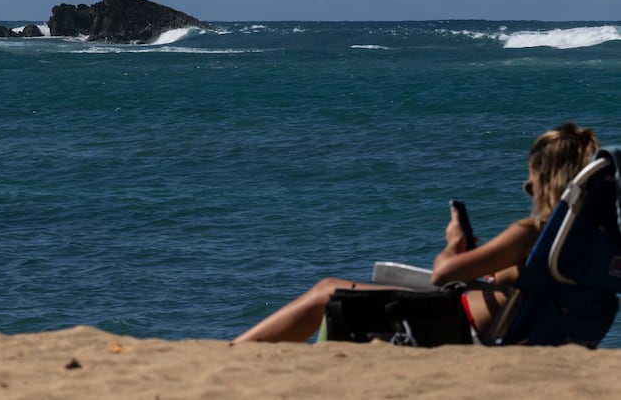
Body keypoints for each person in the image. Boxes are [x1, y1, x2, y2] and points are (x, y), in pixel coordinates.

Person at [234, 123, 600, 343]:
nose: (527, 183)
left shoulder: (531, 232)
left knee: (326, 292)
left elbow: (443, 275)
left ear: (546, 177)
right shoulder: (588, 240)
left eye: (532, 174)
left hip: (453, 323)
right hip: (497, 324)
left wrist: (454, 244)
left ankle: (235, 354)